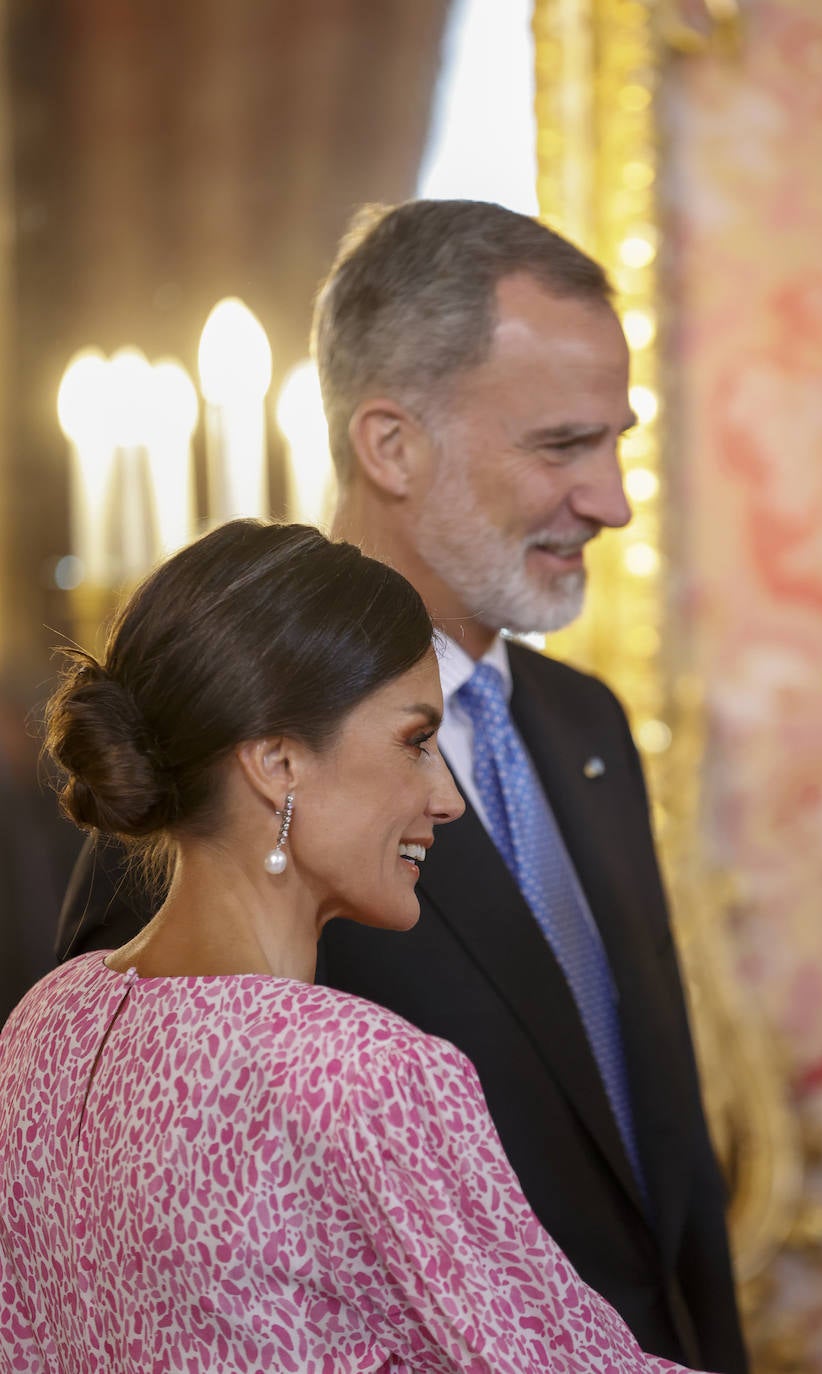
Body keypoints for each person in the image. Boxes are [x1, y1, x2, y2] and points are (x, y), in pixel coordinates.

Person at [57, 201, 748, 1372]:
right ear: (389, 444)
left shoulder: (586, 727)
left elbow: (651, 1166)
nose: (614, 499)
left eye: (617, 442)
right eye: (562, 445)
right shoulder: (217, 775)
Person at [0, 518, 708, 1373]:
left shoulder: (48, 1024)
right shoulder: (357, 1073)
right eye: (415, 743)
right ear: (277, 762)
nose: (445, 798)